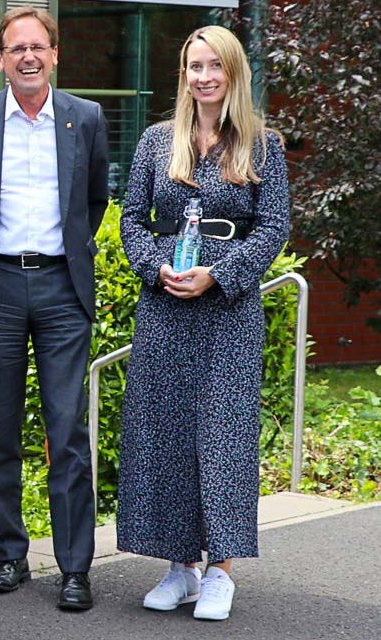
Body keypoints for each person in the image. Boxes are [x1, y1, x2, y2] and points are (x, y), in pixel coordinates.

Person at [116, 25, 290, 622]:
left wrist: (220, 274)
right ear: (184, 74)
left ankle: (220, 570)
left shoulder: (263, 145)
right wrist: (154, 266)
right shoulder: (157, 141)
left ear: (234, 73)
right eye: (195, 66)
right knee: (164, 435)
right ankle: (179, 566)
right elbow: (132, 220)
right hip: (167, 304)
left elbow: (273, 228)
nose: (204, 76)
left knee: (221, 438)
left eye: (216, 65)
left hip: (228, 312)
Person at [0, 6, 108, 611]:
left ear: (55, 54)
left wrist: (65, 257)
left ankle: (74, 568)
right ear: (0, 58)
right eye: (16, 49)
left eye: (38, 47)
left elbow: (94, 200)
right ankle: (9, 555)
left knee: (67, 430)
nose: (28, 57)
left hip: (62, 289)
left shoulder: (85, 118)